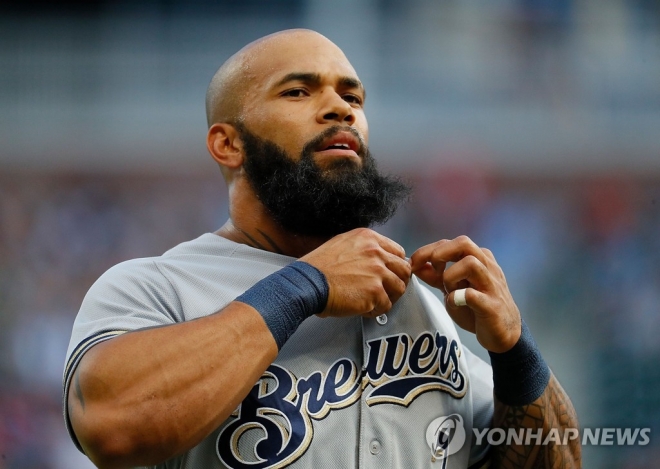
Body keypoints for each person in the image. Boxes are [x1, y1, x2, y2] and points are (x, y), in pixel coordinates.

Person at [63, 29, 581, 469]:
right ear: (228, 144)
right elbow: (111, 426)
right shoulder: (157, 286)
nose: (340, 108)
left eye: (353, 98)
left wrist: (515, 351)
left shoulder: (419, 303)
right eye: (297, 92)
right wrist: (305, 285)